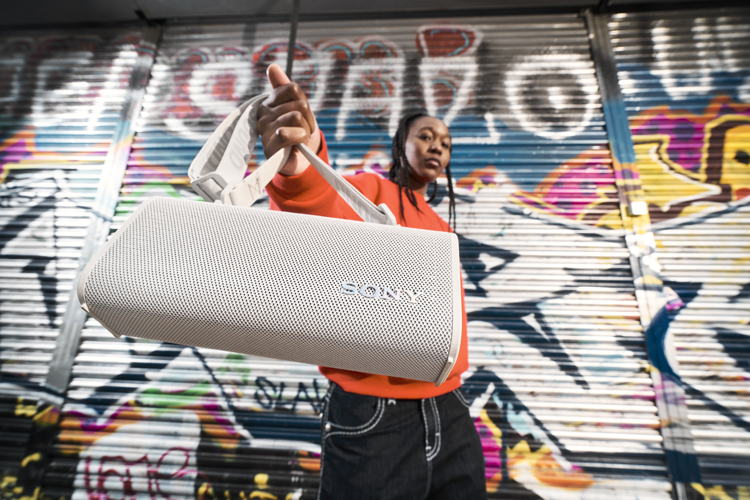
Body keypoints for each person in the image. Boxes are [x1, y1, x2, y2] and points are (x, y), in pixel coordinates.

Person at [257, 63, 486, 499]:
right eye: (426, 136)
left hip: (451, 407)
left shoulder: (439, 223)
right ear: (401, 144)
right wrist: (300, 162)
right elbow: (318, 202)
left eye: (445, 143)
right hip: (376, 411)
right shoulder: (371, 192)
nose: (437, 147)